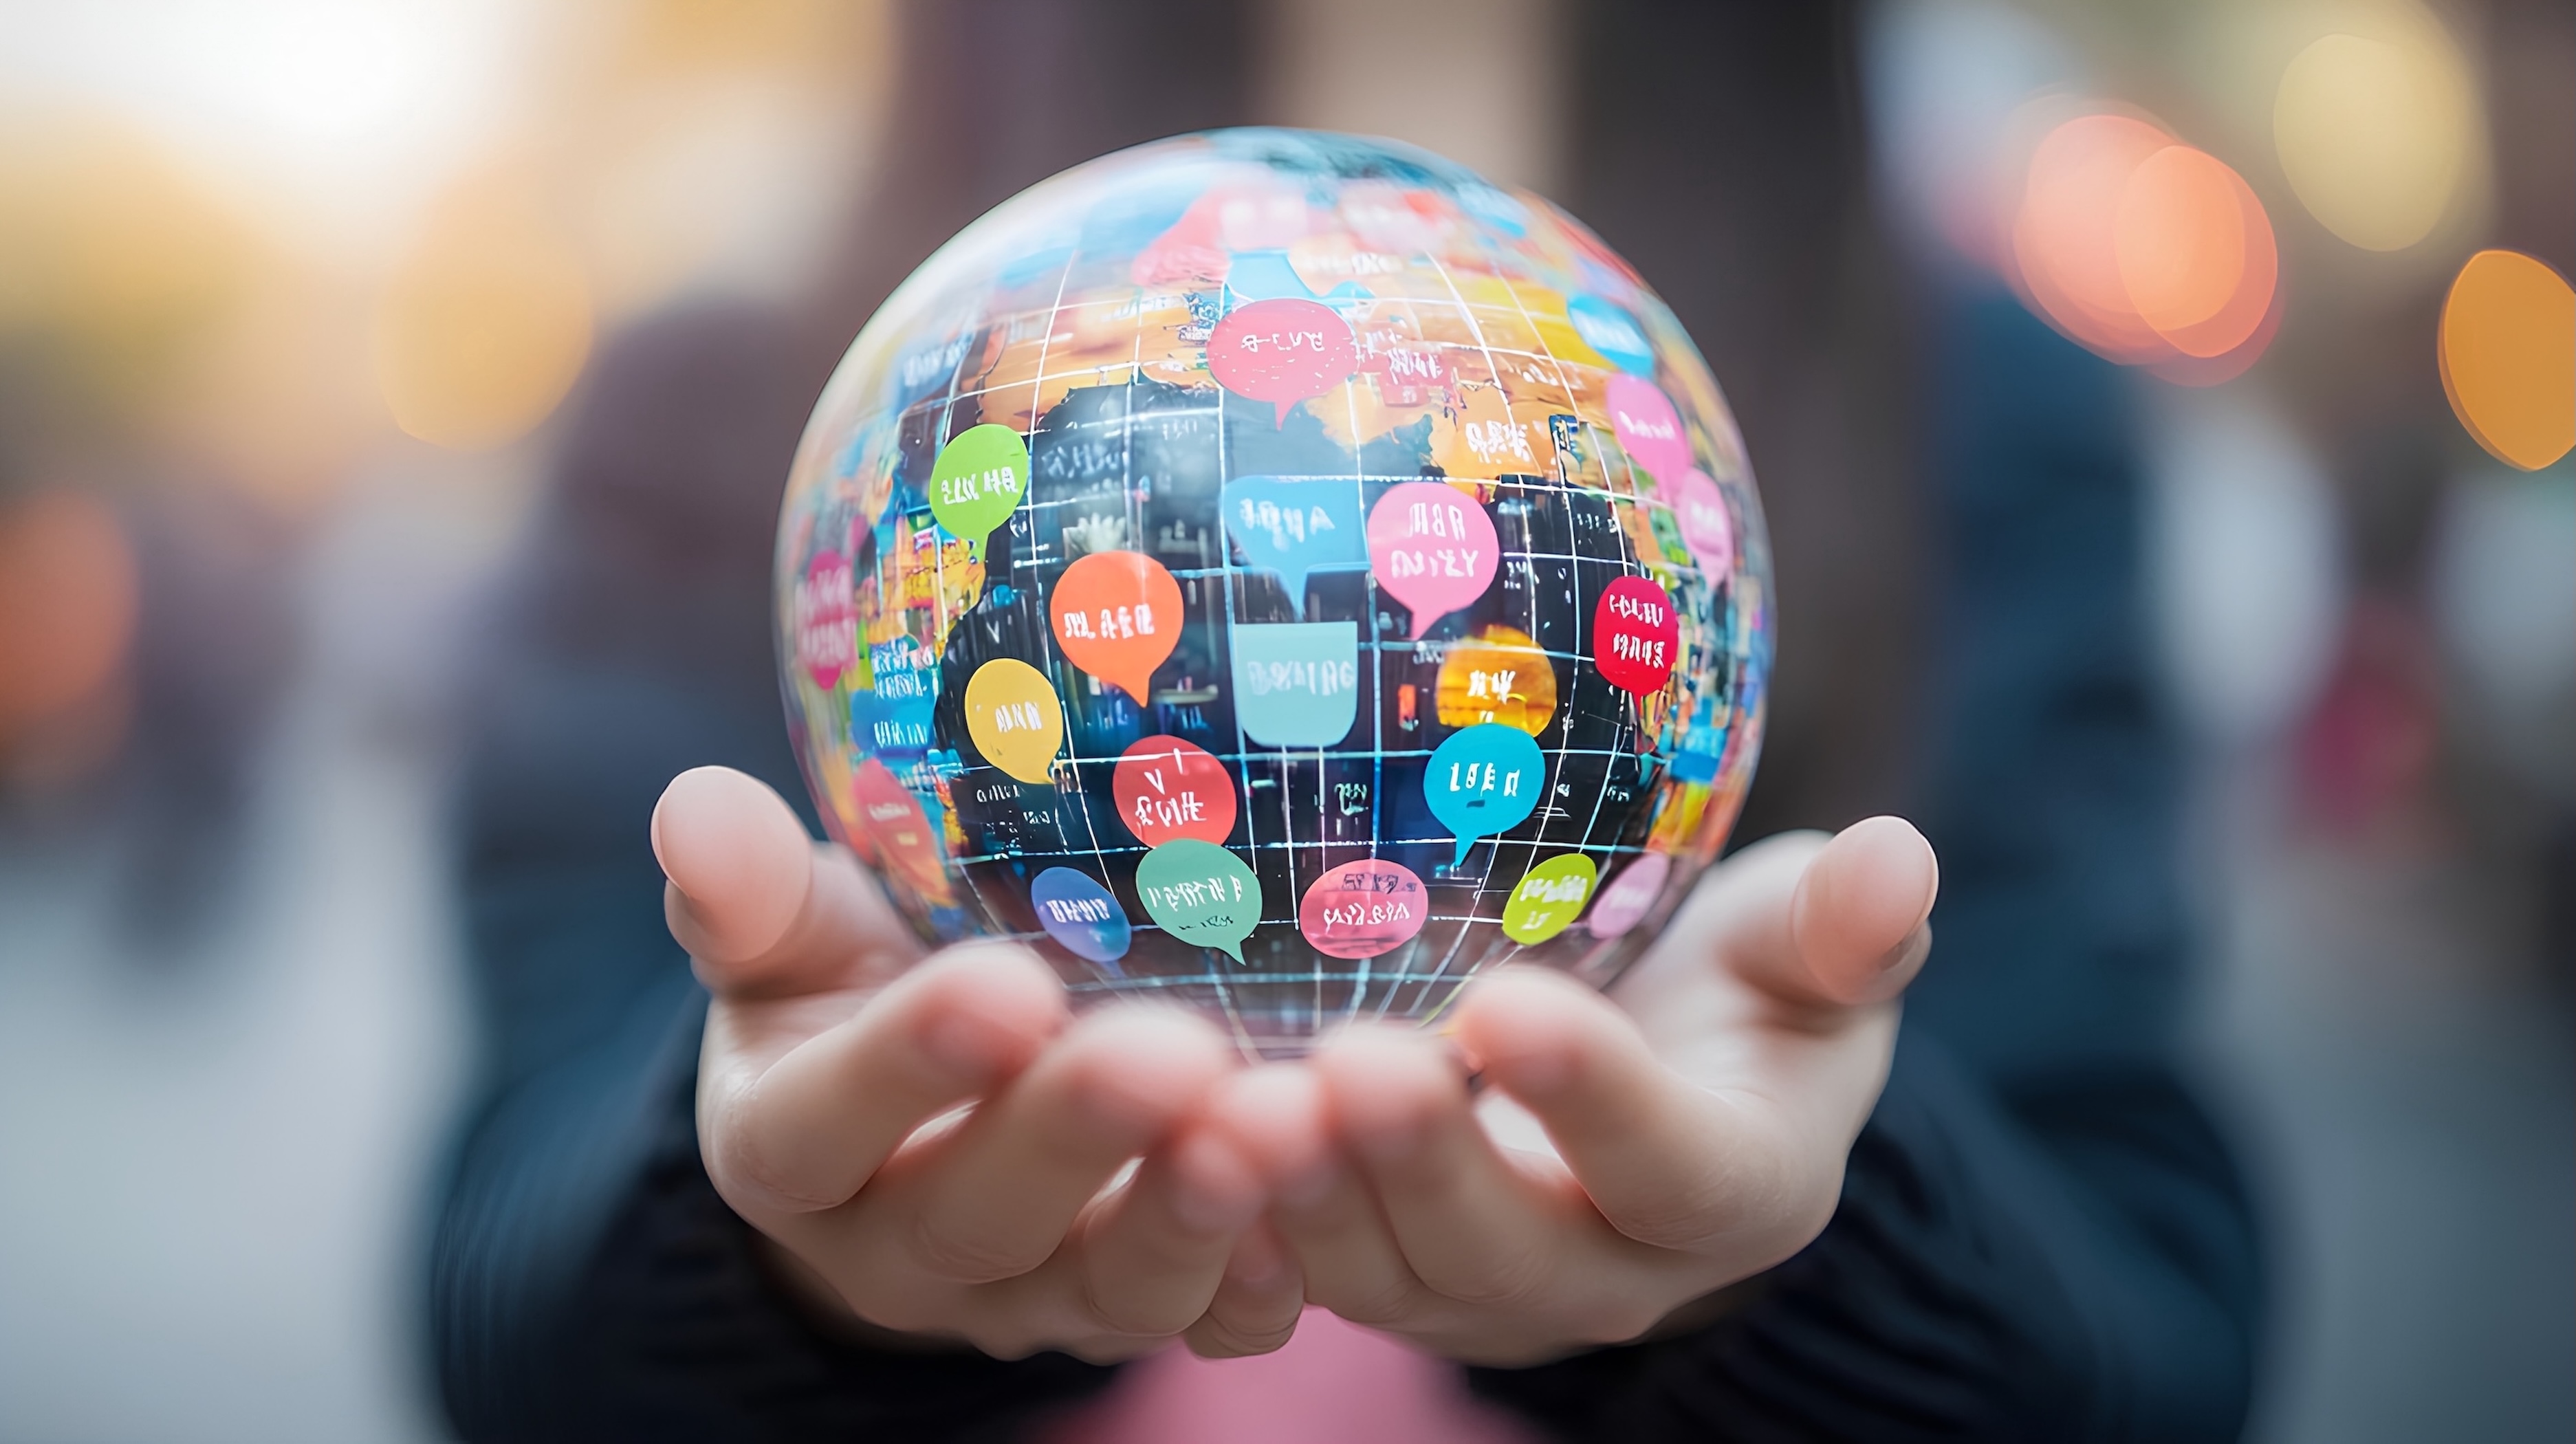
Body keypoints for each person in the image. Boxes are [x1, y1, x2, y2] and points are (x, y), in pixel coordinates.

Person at [431, 2, 2259, 1438]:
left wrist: (1790, 1255)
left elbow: (2162, 1328)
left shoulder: (1990, 411)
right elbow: (498, 1308)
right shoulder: (725, 400)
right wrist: (765, 1262)